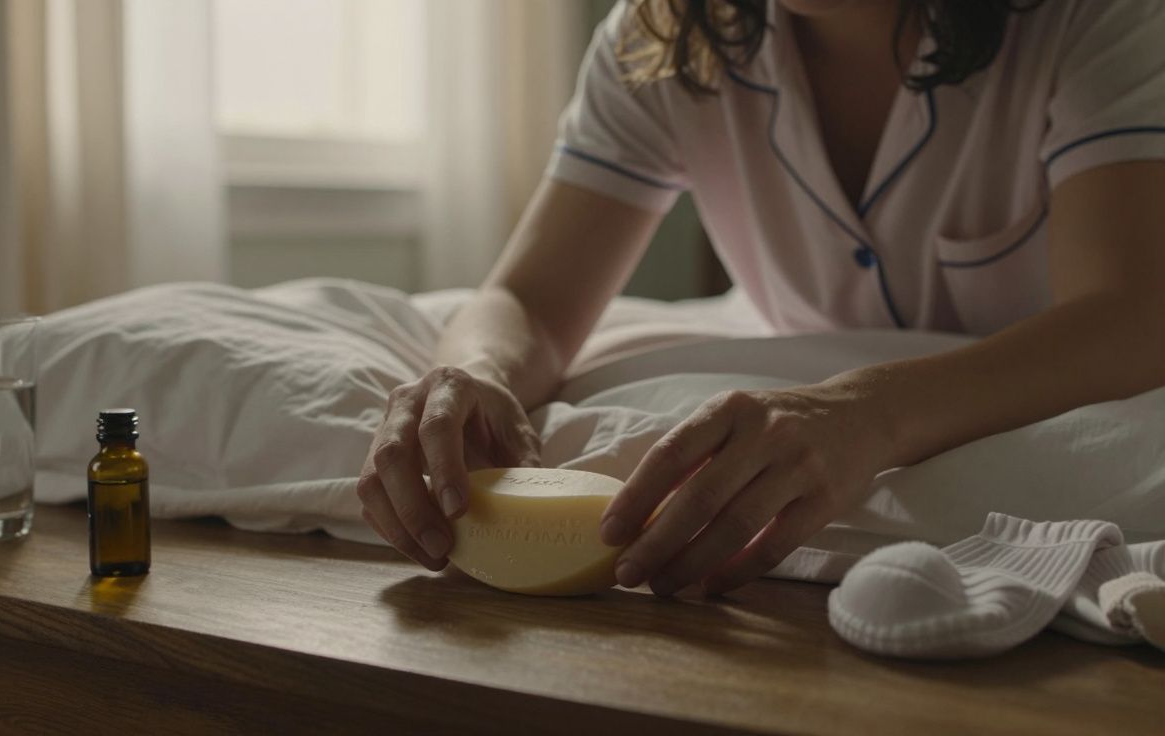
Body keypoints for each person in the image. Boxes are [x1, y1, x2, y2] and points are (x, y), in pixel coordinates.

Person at [355, 0, 1165, 596]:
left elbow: (1131, 316)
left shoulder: (1096, 19)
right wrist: (474, 373)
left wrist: (868, 411)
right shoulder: (661, 32)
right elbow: (529, 299)